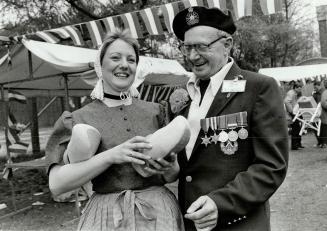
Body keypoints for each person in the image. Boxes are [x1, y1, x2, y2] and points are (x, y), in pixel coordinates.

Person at [45, 29, 184, 231]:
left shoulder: (157, 111)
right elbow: (57, 185)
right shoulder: (77, 119)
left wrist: (168, 168)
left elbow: (172, 176)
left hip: (158, 214)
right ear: (100, 65)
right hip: (107, 216)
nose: (124, 65)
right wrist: (112, 156)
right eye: (115, 58)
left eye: (131, 59)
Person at [171, 6, 289, 231]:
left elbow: (271, 166)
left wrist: (220, 203)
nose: (192, 56)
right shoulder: (183, 94)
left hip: (238, 224)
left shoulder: (259, 88)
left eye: (201, 47)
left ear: (227, 45)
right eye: (187, 48)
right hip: (191, 224)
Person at [284, 81, 304, 150]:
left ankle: (298, 144)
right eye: (299, 88)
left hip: (297, 112)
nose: (300, 89)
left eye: (301, 88)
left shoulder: (296, 93)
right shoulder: (291, 93)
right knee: (295, 129)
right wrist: (291, 111)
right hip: (293, 113)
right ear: (295, 88)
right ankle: (294, 145)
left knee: (299, 128)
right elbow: (286, 101)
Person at [312, 81, 324, 147]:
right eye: (314, 87)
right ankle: (319, 142)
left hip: (322, 112)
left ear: (319, 85)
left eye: (315, 87)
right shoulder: (315, 93)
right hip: (315, 112)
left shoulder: (323, 92)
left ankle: (323, 143)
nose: (314, 88)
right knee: (315, 127)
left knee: (322, 127)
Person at [319, 79, 327, 148]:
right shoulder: (325, 92)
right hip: (325, 114)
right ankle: (324, 143)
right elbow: (324, 103)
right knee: (324, 128)